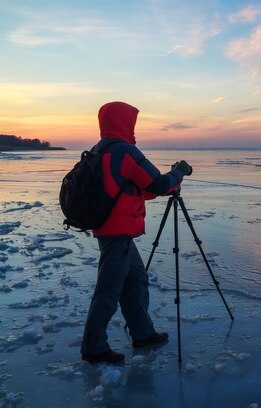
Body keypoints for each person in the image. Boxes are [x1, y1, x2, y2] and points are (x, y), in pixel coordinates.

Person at [81, 101, 192, 363]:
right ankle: (94, 347)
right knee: (108, 291)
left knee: (136, 282)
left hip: (112, 230)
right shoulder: (125, 152)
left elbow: (135, 187)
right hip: (117, 232)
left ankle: (142, 333)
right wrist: (180, 171)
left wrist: (162, 184)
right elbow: (159, 184)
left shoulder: (101, 150)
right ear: (125, 122)